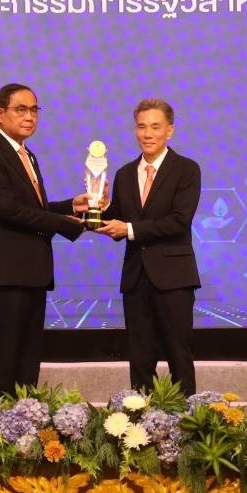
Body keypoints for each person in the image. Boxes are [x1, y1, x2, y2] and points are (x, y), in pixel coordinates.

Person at [0, 83, 89, 397]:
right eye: (20, 109)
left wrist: (70, 206)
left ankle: (25, 418)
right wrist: (65, 225)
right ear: (0, 113)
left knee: (27, 360)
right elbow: (8, 210)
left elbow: (32, 208)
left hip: (32, 273)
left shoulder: (27, 155)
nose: (29, 117)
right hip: (6, 275)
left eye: (34, 110)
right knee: (5, 359)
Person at [96, 98, 201, 396]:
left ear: (170, 130)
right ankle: (141, 418)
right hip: (135, 277)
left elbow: (179, 221)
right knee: (140, 357)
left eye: (155, 127)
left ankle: (185, 418)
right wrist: (99, 206)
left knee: (179, 354)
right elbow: (117, 221)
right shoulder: (125, 173)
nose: (147, 134)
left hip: (174, 278)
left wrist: (129, 229)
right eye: (141, 127)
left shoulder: (186, 170)